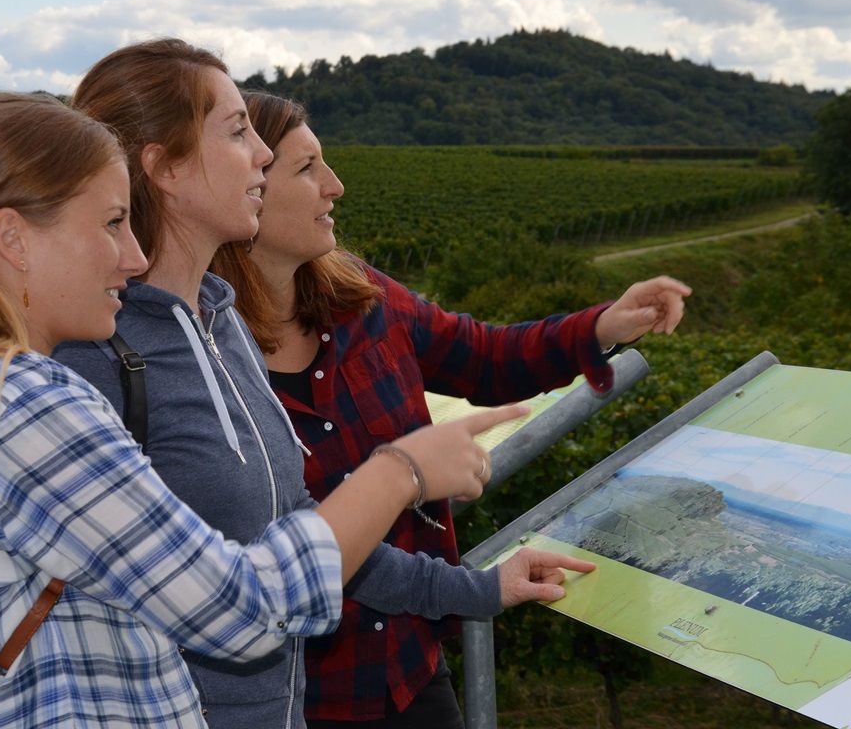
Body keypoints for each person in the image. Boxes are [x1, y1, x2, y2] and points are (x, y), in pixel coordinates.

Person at [0, 92, 521, 729]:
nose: (132, 258)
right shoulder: (25, 405)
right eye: (111, 223)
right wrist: (399, 471)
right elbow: (243, 609)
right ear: (13, 238)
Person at [54, 39, 594, 729]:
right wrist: (400, 473)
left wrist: (477, 589)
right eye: (237, 131)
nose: (260, 155)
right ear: (164, 168)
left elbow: (306, 529)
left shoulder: (220, 324)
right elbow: (233, 606)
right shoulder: (95, 357)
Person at [209, 91, 693, 728]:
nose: (335, 185)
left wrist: (604, 324)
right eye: (306, 169)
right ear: (245, 189)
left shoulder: (366, 298)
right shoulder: (206, 362)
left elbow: (486, 358)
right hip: (296, 698)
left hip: (408, 671)